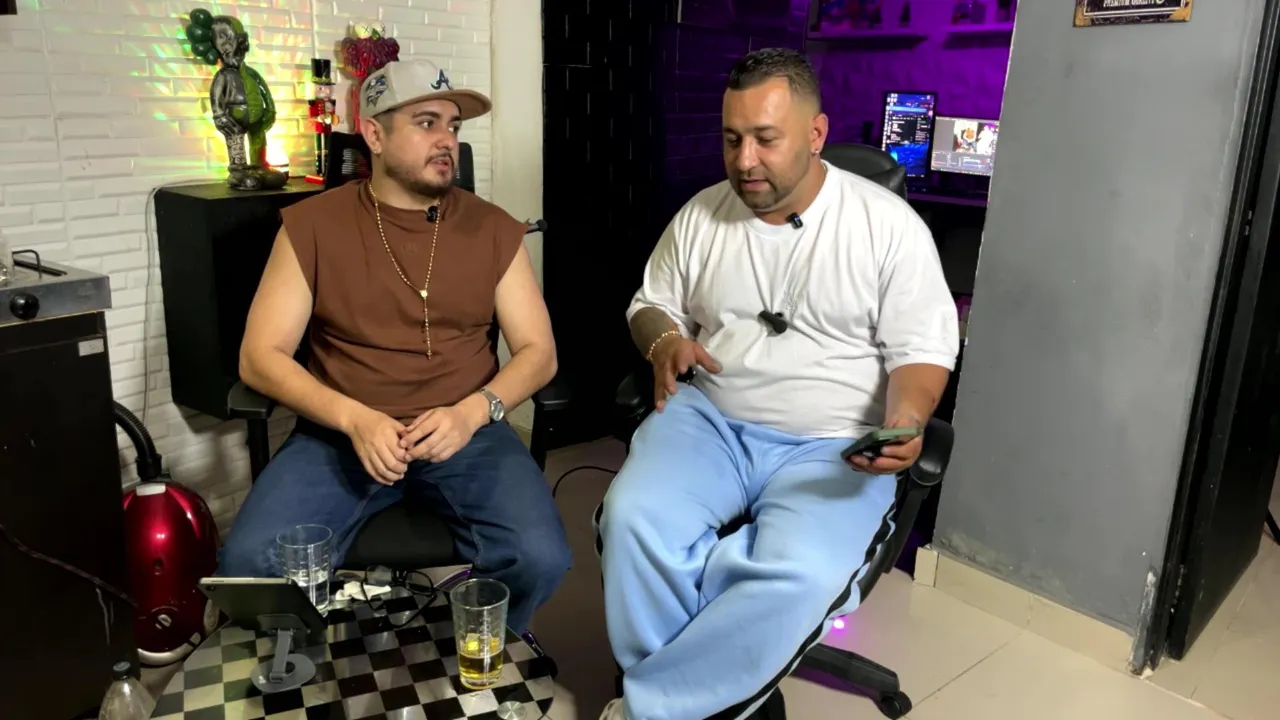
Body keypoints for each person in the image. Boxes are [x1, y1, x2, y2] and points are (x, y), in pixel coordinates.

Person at [597, 49, 959, 720]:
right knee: (633, 521)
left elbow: (922, 350)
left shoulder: (887, 227)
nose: (744, 161)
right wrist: (664, 342)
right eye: (732, 139)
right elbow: (651, 305)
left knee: (802, 570)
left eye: (766, 139)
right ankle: (710, 690)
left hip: (832, 441)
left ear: (816, 134)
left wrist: (907, 418)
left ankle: (654, 708)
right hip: (710, 420)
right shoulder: (701, 216)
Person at [219, 59, 570, 634]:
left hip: (465, 432)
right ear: (374, 135)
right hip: (341, 434)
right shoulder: (313, 225)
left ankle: (475, 652)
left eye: (453, 126)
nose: (446, 140)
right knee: (250, 565)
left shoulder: (492, 228)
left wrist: (472, 412)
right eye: (426, 123)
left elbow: (539, 351)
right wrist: (353, 419)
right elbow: (259, 357)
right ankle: (317, 662)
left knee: (539, 556)